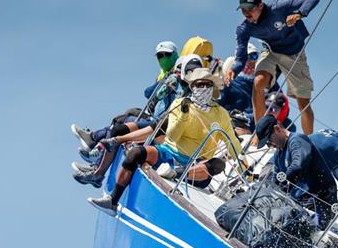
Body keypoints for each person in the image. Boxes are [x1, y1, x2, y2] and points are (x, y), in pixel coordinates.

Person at [88, 61, 242, 215]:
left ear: (212, 87)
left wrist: (243, 167)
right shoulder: (180, 103)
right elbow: (173, 136)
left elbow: (232, 143)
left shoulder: (221, 113)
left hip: (197, 166)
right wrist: (183, 114)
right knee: (134, 154)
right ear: (192, 87)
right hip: (170, 154)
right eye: (198, 85)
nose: (202, 89)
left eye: (206, 85)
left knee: (218, 164)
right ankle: (112, 201)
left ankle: (177, 173)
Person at [226, 0, 319, 134]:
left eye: (250, 9)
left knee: (303, 103)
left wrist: (300, 13)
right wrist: (234, 69)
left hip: (294, 54)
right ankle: (260, 133)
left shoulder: (279, 7)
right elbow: (240, 57)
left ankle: (310, 141)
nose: (246, 13)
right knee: (258, 83)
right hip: (271, 51)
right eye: (243, 10)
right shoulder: (244, 28)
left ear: (260, 6)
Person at [253, 114, 336, 228]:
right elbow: (275, 183)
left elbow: (298, 165)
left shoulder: (297, 140)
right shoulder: (278, 154)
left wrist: (284, 181)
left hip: (320, 203)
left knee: (310, 231)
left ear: (277, 129)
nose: (270, 145)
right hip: (300, 201)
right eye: (267, 144)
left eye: (269, 140)